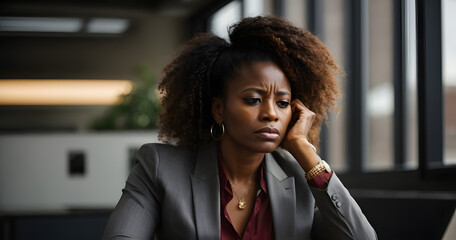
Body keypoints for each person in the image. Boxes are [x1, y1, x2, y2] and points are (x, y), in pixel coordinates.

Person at [103, 16, 377, 240]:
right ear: (218, 109)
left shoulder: (301, 178)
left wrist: (306, 154)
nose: (271, 113)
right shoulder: (160, 167)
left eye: (282, 103)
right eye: (253, 100)